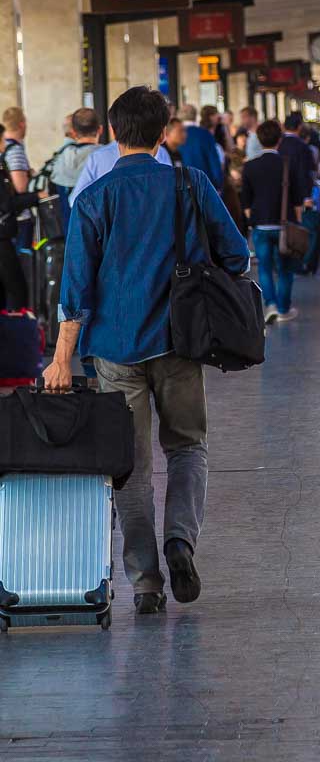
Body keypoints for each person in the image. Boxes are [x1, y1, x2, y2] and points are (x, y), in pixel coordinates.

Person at [43, 86, 249, 615]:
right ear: (163, 133)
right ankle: (180, 540)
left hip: (115, 350)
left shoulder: (93, 198)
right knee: (187, 447)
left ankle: (145, 582)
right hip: (180, 343)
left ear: (113, 133)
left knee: (130, 466)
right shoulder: (190, 183)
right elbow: (237, 255)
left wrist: (61, 358)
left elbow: (75, 289)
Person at [241, 119, 308, 323]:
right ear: (279, 140)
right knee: (286, 268)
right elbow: (298, 200)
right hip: (284, 226)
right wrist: (297, 221)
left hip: (260, 225)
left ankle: (270, 304)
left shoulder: (250, 166)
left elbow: (246, 202)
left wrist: (252, 221)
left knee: (264, 267)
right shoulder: (288, 164)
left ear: (259, 140)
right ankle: (283, 308)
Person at [70, 137, 173, 205]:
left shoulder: (98, 156)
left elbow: (75, 200)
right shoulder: (162, 153)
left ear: (113, 129)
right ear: (162, 135)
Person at [49, 108, 103, 234]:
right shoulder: (106, 157)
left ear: (73, 132)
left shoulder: (59, 158)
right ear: (100, 129)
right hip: (99, 233)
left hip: (68, 234)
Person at [0, 149, 38, 308]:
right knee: (15, 286)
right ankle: (16, 319)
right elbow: (7, 203)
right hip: (3, 236)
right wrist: (35, 196)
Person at [2, 107, 32, 250]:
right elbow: (20, 187)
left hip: (4, 217)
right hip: (18, 218)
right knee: (22, 258)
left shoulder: (3, 147)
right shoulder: (15, 150)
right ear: (22, 124)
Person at [176, 103, 223, 190]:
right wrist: (218, 185)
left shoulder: (174, 136)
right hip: (204, 185)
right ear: (195, 116)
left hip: (181, 186)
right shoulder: (205, 134)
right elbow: (214, 163)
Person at [279, 113, 315, 202]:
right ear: (299, 127)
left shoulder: (278, 144)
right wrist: (307, 195)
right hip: (298, 191)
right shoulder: (303, 146)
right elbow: (306, 170)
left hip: (280, 189)